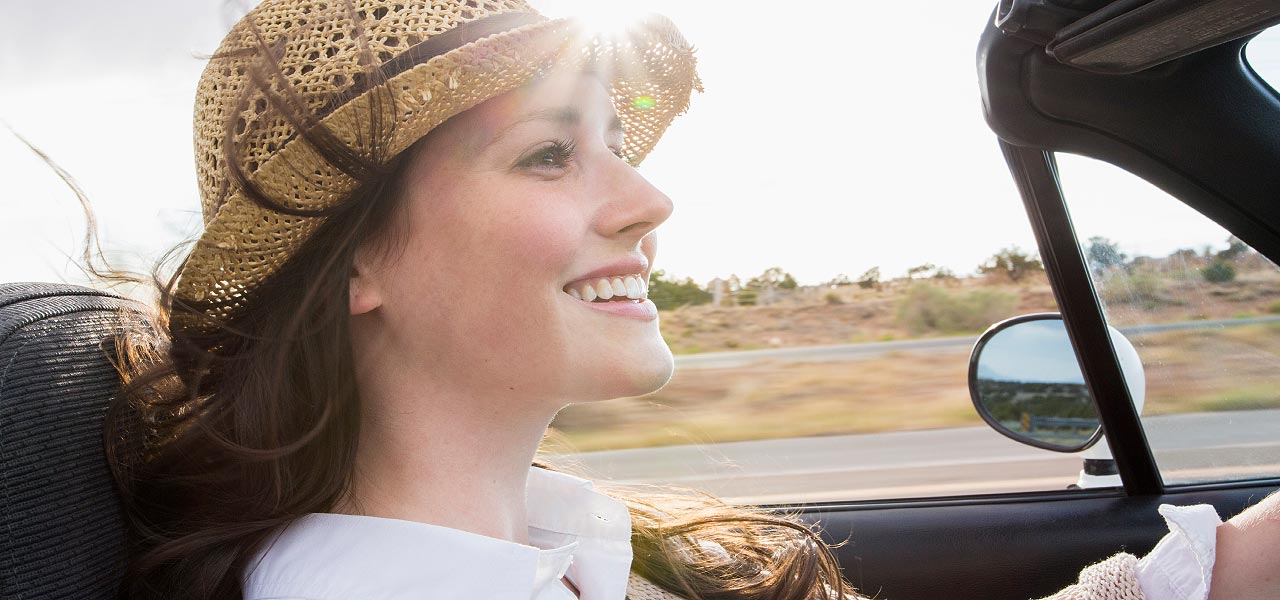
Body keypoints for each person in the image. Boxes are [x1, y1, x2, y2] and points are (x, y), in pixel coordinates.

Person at [102, 1, 1279, 599]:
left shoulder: (575, 545)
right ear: (354, 261)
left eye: (616, 141)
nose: (647, 199)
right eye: (549, 156)